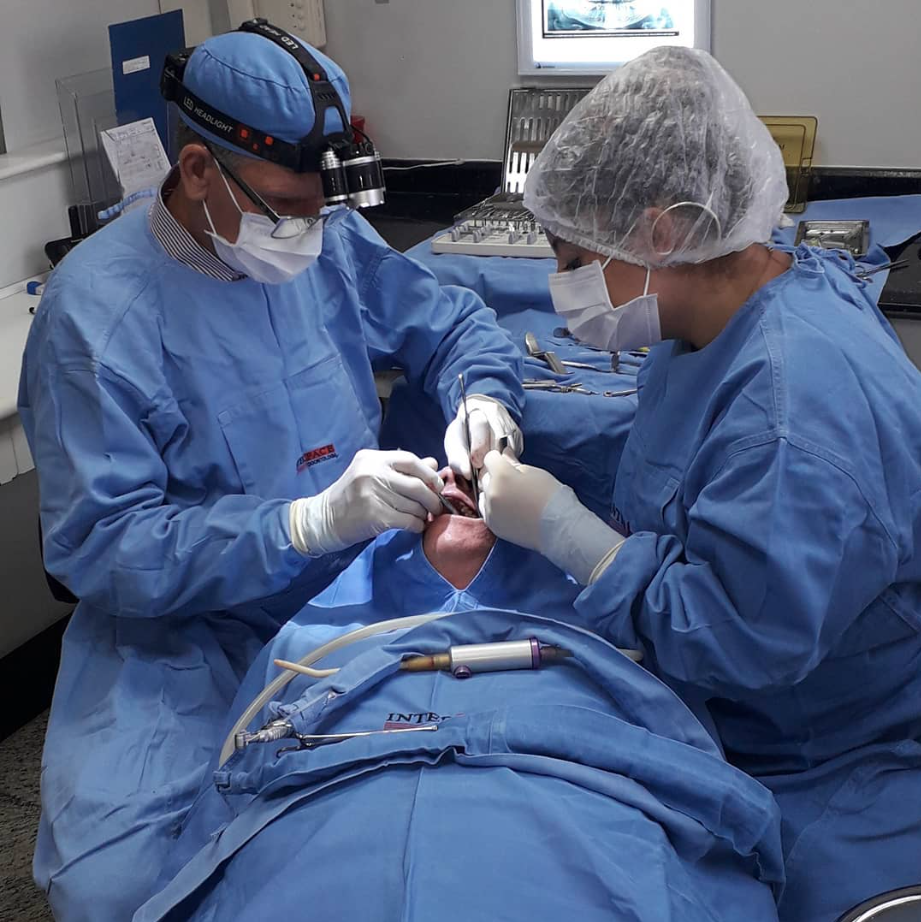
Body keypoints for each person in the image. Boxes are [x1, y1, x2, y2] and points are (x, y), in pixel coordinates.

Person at [17, 23, 523, 922]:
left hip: (350, 585)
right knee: (114, 888)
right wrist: (300, 524)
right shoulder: (96, 317)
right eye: (287, 208)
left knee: (422, 827)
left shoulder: (325, 240)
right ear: (198, 168)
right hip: (178, 631)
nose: (307, 233)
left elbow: (448, 325)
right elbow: (102, 545)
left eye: (320, 211)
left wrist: (484, 397)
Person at [478, 46, 921, 922]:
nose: (558, 284)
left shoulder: (790, 417)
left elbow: (742, 639)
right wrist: (509, 424)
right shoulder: (744, 302)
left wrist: (567, 533)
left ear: (660, 230)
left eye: (570, 256)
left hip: (822, 753)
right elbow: (681, 456)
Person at [131, 489, 784, 922]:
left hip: (582, 820)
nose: (460, 479)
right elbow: (245, 772)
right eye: (441, 486)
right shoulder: (317, 633)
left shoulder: (605, 611)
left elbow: (688, 748)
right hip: (324, 825)